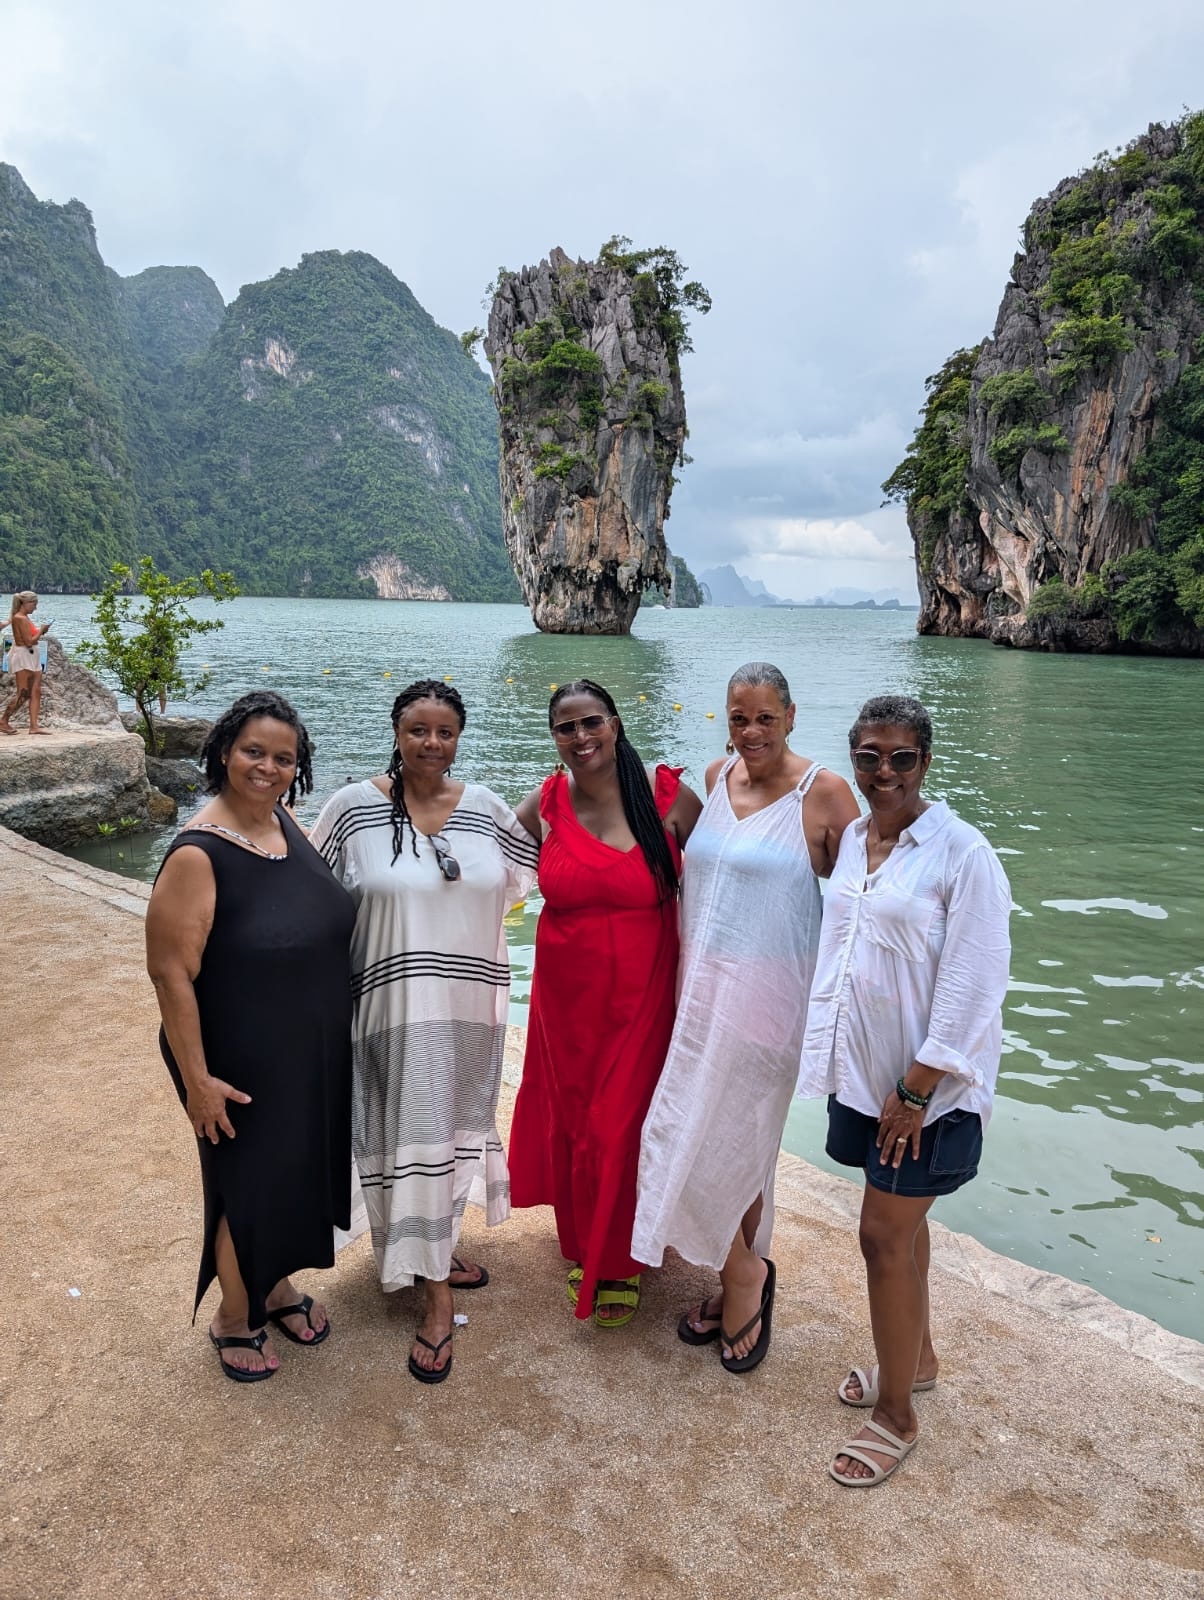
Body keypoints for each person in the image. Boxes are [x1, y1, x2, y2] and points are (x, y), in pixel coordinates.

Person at [798, 694, 1011, 1485]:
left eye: (901, 759)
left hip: (922, 1091)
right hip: (862, 1076)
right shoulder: (854, 840)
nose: (883, 773)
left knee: (882, 1236)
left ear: (927, 761)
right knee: (905, 1228)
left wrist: (918, 1087)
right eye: (868, 757)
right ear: (852, 758)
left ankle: (896, 1416)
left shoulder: (961, 852)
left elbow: (977, 979)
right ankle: (915, 1359)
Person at [309, 680, 539, 1385]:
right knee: (395, 1136)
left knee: (450, 1133)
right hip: (385, 1008)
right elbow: (310, 894)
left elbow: (537, 877)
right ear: (397, 730)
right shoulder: (353, 809)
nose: (430, 744)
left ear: (458, 737)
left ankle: (428, 1250)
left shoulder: (487, 811)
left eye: (444, 732)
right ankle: (434, 1296)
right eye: (417, 730)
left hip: (469, 1006)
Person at [632, 663, 859, 1372]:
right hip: (697, 992)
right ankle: (749, 1266)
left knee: (715, 1138)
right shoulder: (715, 777)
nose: (751, 732)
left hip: (769, 1002)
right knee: (724, 1141)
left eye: (764, 717)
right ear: (724, 720)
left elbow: (863, 899)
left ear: (791, 715)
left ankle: (742, 1276)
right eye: (738, 718)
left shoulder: (823, 793)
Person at [145, 690, 355, 1383]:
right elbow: (171, 975)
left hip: (304, 1046)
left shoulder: (282, 822)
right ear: (224, 753)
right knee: (251, 1183)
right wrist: (198, 1081)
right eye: (254, 752)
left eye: (284, 757)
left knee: (294, 1173)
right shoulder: (198, 854)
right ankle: (235, 1317)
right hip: (235, 1054)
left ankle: (272, 1285)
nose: (268, 767)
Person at [509, 679, 701, 1327]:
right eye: (565, 728)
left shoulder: (669, 799)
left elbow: (727, 884)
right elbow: (485, 872)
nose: (580, 737)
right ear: (554, 738)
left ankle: (615, 1260)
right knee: (577, 1123)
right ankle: (585, 1242)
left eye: (591, 722)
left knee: (622, 1120)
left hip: (645, 996)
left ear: (616, 725)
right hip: (565, 1003)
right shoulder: (544, 803)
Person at [1, 591, 51, 735]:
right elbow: (28, 641)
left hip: (33, 657)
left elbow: (31, 637)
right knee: (23, 692)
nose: (35, 608)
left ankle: (34, 726)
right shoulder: (19, 618)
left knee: (36, 691)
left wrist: (41, 631)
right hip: (23, 656)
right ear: (26, 603)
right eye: (34, 604)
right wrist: (41, 630)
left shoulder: (25, 618)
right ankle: (4, 720)